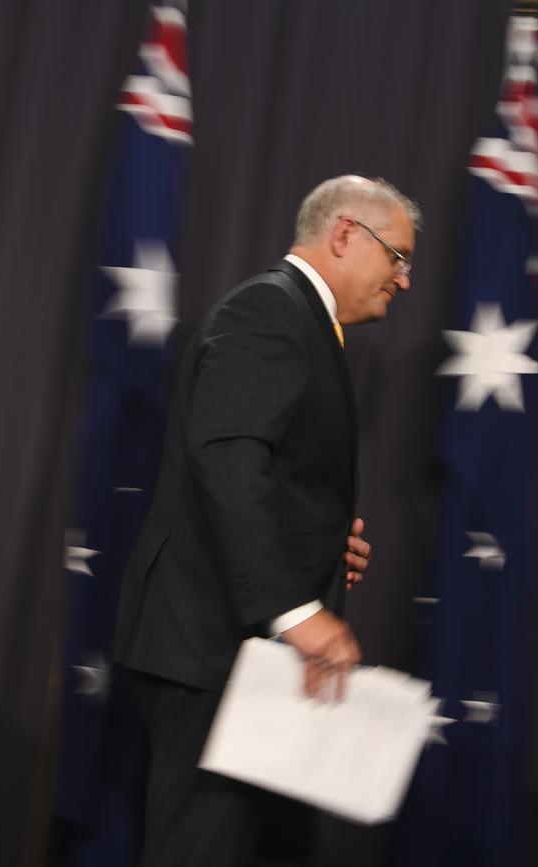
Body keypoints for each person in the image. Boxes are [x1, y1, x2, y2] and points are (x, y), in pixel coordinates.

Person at [114, 174, 420, 866]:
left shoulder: (306, 324)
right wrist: (296, 608)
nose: (403, 280)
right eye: (397, 256)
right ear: (345, 233)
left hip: (250, 662)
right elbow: (227, 463)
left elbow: (262, 474)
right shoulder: (268, 310)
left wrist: (320, 541)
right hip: (212, 646)